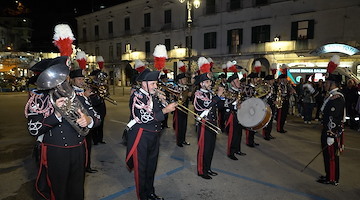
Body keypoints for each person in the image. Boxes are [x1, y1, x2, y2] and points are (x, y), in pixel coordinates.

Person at [24, 56, 101, 200]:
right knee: (58, 191)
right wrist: (57, 114)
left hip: (78, 149)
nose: (63, 78)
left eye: (64, 73)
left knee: (77, 190)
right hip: (55, 151)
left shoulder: (77, 95)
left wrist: (88, 120)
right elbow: (34, 129)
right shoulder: (38, 99)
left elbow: (97, 117)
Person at [125, 68, 177, 200]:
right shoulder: (137, 96)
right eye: (153, 84)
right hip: (140, 136)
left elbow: (160, 111)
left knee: (151, 166)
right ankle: (142, 196)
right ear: (144, 83)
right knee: (141, 169)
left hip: (154, 135)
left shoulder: (152, 95)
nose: (156, 86)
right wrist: (165, 110)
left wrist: (164, 100)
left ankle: (150, 192)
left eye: (156, 83)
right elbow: (144, 117)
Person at [193, 72, 224, 179]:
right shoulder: (198, 94)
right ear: (201, 84)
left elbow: (219, 106)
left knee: (210, 147)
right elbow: (208, 105)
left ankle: (208, 168)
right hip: (204, 124)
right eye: (207, 81)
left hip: (213, 123)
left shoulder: (210, 93)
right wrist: (218, 96)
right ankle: (201, 170)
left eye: (210, 81)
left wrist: (222, 97)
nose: (210, 83)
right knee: (204, 148)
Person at [317, 73, 345, 186]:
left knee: (331, 156)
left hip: (331, 132)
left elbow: (333, 117)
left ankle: (332, 178)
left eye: (327, 83)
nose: (324, 85)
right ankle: (329, 174)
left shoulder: (337, 97)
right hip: (327, 129)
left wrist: (331, 134)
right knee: (327, 155)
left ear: (332, 84)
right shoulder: (331, 95)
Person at [69, 69, 98, 173]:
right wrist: (84, 96)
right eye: (79, 79)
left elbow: (94, 104)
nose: (82, 81)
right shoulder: (70, 91)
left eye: (83, 79)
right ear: (72, 80)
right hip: (77, 124)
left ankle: (87, 165)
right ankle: (81, 167)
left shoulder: (84, 89)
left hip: (88, 121)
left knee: (88, 146)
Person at [224, 73, 246, 160]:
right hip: (232, 115)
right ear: (232, 83)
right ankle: (230, 152)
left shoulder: (239, 91)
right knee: (233, 135)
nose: (239, 82)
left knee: (239, 133)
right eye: (237, 81)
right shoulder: (229, 92)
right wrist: (235, 106)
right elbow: (226, 105)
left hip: (240, 114)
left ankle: (237, 149)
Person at [89, 69, 108, 145]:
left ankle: (100, 139)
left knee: (101, 122)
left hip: (101, 105)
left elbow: (106, 94)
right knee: (95, 122)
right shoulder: (91, 84)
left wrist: (105, 90)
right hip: (94, 105)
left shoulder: (102, 84)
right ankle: (95, 140)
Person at [173, 73, 191, 147]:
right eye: (184, 79)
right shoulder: (176, 88)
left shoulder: (186, 87)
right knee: (179, 125)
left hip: (185, 108)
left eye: (185, 79)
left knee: (184, 125)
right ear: (179, 80)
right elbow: (175, 98)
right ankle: (179, 141)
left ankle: (183, 139)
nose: (185, 80)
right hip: (178, 109)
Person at [262, 75, 276, 140]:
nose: (273, 81)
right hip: (267, 105)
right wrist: (272, 101)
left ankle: (268, 133)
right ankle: (265, 134)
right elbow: (264, 97)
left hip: (272, 105)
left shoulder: (273, 87)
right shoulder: (265, 87)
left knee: (271, 120)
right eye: (272, 80)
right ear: (268, 81)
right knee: (267, 120)